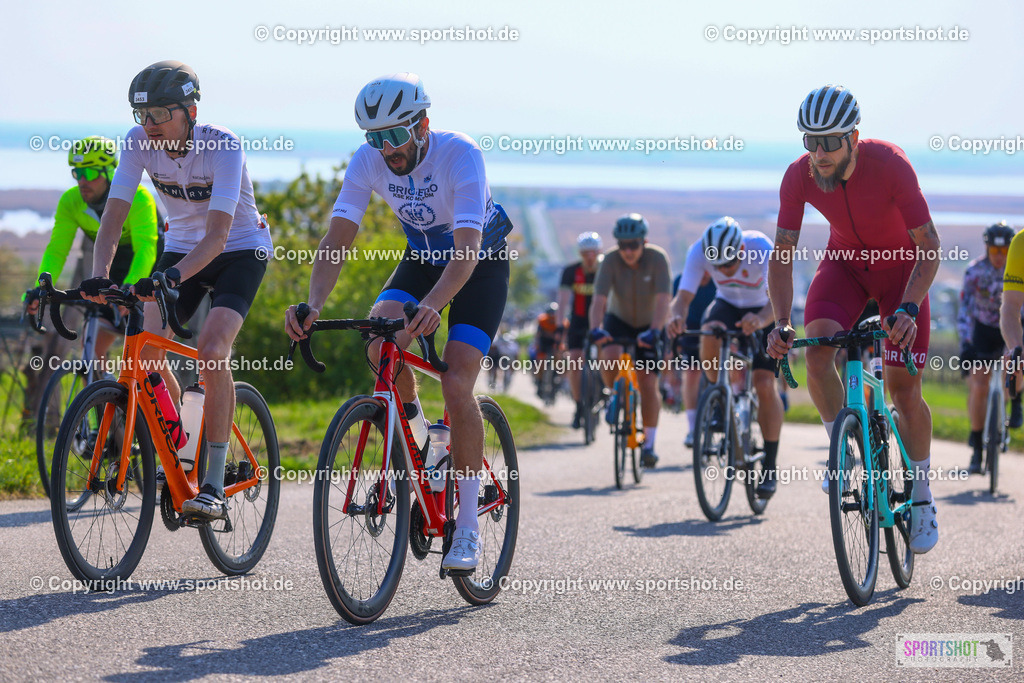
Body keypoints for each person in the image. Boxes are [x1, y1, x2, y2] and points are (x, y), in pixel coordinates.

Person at [285, 73, 514, 573]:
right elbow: (338, 236)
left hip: (477, 265)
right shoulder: (368, 160)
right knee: (378, 342)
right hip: (424, 257)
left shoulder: (460, 155)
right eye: (374, 137)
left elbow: (468, 250)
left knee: (456, 381)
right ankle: (426, 443)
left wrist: (433, 304)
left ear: (423, 125)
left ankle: (469, 527)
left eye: (394, 136)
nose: (385, 149)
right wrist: (313, 303)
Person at [82, 60, 273, 520]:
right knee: (147, 348)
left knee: (211, 349)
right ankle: (181, 441)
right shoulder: (137, 144)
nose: (148, 126)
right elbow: (113, 216)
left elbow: (219, 237)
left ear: (189, 109)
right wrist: (101, 275)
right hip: (183, 249)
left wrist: (172, 276)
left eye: (158, 115)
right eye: (140, 116)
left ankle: (211, 478)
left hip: (240, 249)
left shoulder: (223, 147)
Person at [765, 85, 941, 554]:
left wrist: (907, 306)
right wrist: (781, 322)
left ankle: (921, 494)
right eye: (809, 142)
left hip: (901, 272)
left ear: (854, 138)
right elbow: (781, 257)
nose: (818, 154)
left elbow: (930, 248)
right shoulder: (798, 176)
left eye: (829, 142)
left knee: (904, 388)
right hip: (844, 267)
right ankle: (842, 452)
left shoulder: (891, 165)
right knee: (818, 351)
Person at [668, 217, 783, 498]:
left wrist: (759, 318)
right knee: (709, 331)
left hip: (766, 307)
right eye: (716, 266)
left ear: (741, 249)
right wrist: (676, 317)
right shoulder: (698, 251)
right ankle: (719, 395)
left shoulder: (762, 248)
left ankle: (769, 465)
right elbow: (682, 298)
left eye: (728, 264)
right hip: (727, 304)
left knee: (764, 383)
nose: (722, 270)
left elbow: (779, 300)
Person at [26, 136, 160, 365]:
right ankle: (105, 396)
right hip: (112, 271)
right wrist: (41, 287)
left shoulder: (138, 197)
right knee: (92, 351)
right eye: (77, 173)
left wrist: (131, 287)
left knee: (148, 358)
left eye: (90, 173)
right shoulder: (71, 201)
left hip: (148, 272)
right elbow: (57, 250)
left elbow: (146, 247)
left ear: (110, 172)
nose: (82, 181)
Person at [589, 213, 671, 467]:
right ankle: (614, 394)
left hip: (650, 323)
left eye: (633, 245)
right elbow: (599, 300)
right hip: (619, 318)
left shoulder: (658, 259)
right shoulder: (610, 260)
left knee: (647, 383)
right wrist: (595, 328)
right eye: (623, 245)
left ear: (643, 242)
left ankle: (649, 444)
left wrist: (656, 330)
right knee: (609, 354)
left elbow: (663, 300)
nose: (628, 251)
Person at [959, 222, 1021, 473]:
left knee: (1017, 364)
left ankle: (1016, 403)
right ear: (986, 249)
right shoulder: (974, 271)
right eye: (995, 252)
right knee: (979, 384)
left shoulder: (1017, 265)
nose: (1000, 257)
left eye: (1005, 251)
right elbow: (965, 309)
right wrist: (965, 341)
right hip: (983, 331)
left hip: (1014, 325)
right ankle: (976, 443)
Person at [558, 232, 603, 427]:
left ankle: (602, 391)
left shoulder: (605, 270)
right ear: (580, 254)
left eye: (593, 252)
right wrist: (560, 325)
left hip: (601, 321)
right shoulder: (571, 271)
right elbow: (562, 300)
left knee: (605, 357)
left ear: (599, 252)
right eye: (585, 253)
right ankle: (578, 406)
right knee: (574, 363)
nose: (589, 257)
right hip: (578, 321)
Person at [670, 270, 716, 446]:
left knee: (724, 368)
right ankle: (692, 428)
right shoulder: (682, 280)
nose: (704, 274)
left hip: (715, 329)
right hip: (691, 331)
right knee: (691, 374)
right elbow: (674, 310)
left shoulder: (719, 279)